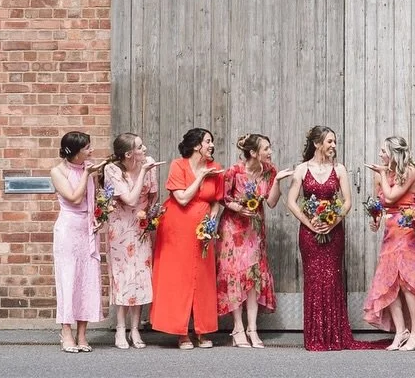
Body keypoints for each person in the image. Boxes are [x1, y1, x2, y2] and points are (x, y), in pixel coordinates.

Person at [285, 125, 386, 351]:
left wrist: (332, 222)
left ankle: (335, 336)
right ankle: (315, 337)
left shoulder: (339, 169)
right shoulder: (301, 169)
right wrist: (310, 222)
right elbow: (291, 201)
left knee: (332, 280)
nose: (333, 146)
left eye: (334, 142)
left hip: (334, 231)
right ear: (317, 143)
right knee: (313, 280)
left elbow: (347, 201)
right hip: (309, 234)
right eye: (329, 141)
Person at [150, 127, 224, 348]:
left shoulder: (216, 168)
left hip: (203, 229)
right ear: (195, 146)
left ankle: (202, 329)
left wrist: (211, 223)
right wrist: (200, 176)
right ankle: (181, 332)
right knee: (179, 278)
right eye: (207, 141)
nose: (211, 145)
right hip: (177, 228)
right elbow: (181, 198)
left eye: (212, 141)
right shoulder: (178, 165)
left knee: (202, 277)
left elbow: (216, 201)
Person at [216, 133, 293, 347]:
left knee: (253, 278)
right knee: (234, 276)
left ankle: (253, 328)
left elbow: (271, 202)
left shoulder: (269, 171)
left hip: (254, 230)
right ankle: (238, 328)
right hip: (233, 229)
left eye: (270, 148)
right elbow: (222, 197)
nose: (270, 152)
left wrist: (277, 181)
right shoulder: (234, 171)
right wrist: (239, 208)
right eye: (266, 148)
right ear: (253, 153)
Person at [362, 136, 415, 350]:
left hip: (408, 228)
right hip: (390, 231)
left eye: (383, 151)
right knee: (389, 281)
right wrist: (375, 219)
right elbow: (382, 203)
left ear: (394, 153)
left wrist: (382, 174)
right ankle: (401, 331)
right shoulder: (382, 174)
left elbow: (392, 196)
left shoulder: (410, 171)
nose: (380, 155)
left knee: (407, 281)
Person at [103, 132, 160, 349]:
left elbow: (153, 195)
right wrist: (144, 170)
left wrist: (149, 216)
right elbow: (129, 198)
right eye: (140, 147)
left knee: (141, 275)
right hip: (120, 228)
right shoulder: (113, 170)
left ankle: (135, 329)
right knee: (124, 275)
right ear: (129, 154)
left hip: (140, 226)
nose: (145, 149)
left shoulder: (148, 165)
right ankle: (120, 328)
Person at [50, 131, 105, 353]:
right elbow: (74, 197)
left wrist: (100, 216)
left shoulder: (89, 169)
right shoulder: (57, 172)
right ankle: (66, 331)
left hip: (87, 229)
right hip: (68, 230)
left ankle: (83, 333)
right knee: (68, 279)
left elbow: (96, 197)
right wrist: (86, 175)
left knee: (87, 280)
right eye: (87, 148)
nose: (91, 150)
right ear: (75, 152)